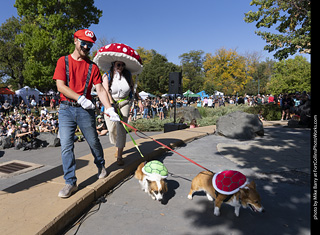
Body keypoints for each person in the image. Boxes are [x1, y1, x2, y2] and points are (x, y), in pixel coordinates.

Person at [53, 29, 120, 198]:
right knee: (66, 146)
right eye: (83, 43)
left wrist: (110, 109)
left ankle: (101, 164)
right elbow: (60, 86)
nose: (86, 47)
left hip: (85, 111)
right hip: (66, 109)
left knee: (93, 142)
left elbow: (100, 90)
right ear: (75, 40)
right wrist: (80, 98)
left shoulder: (92, 67)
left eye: (89, 45)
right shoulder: (63, 61)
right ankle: (70, 182)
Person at [102, 61, 141, 166]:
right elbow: (105, 91)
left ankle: (119, 155)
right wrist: (111, 104)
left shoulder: (127, 75)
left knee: (121, 129)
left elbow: (133, 88)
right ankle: (117, 144)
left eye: (123, 65)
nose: (121, 67)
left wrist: (139, 100)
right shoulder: (106, 76)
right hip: (110, 103)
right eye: (118, 65)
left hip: (124, 103)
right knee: (111, 129)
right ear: (113, 64)